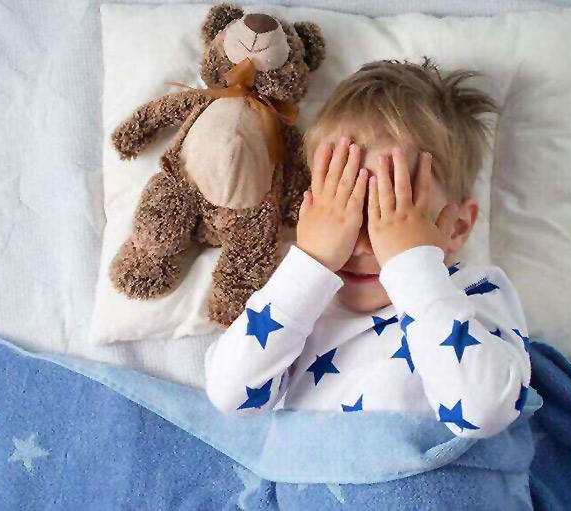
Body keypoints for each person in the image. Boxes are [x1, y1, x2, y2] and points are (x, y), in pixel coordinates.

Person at [204, 60, 531, 438]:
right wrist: (313, 263)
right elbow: (230, 394)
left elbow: (483, 411)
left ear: (457, 227)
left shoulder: (471, 293)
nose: (358, 244)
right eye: (342, 213)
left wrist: (413, 269)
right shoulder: (302, 304)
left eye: (391, 216)